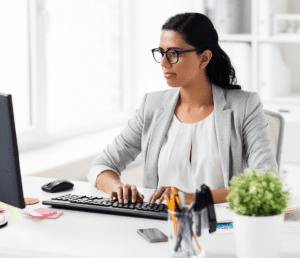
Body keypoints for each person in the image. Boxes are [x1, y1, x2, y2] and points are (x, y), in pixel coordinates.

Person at [87, 12, 278, 206]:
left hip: (220, 225)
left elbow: (267, 181)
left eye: (174, 53)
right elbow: (102, 165)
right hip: (160, 225)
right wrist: (116, 187)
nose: (163, 63)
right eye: (161, 53)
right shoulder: (152, 106)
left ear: (204, 58)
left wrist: (196, 198)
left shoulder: (244, 106)